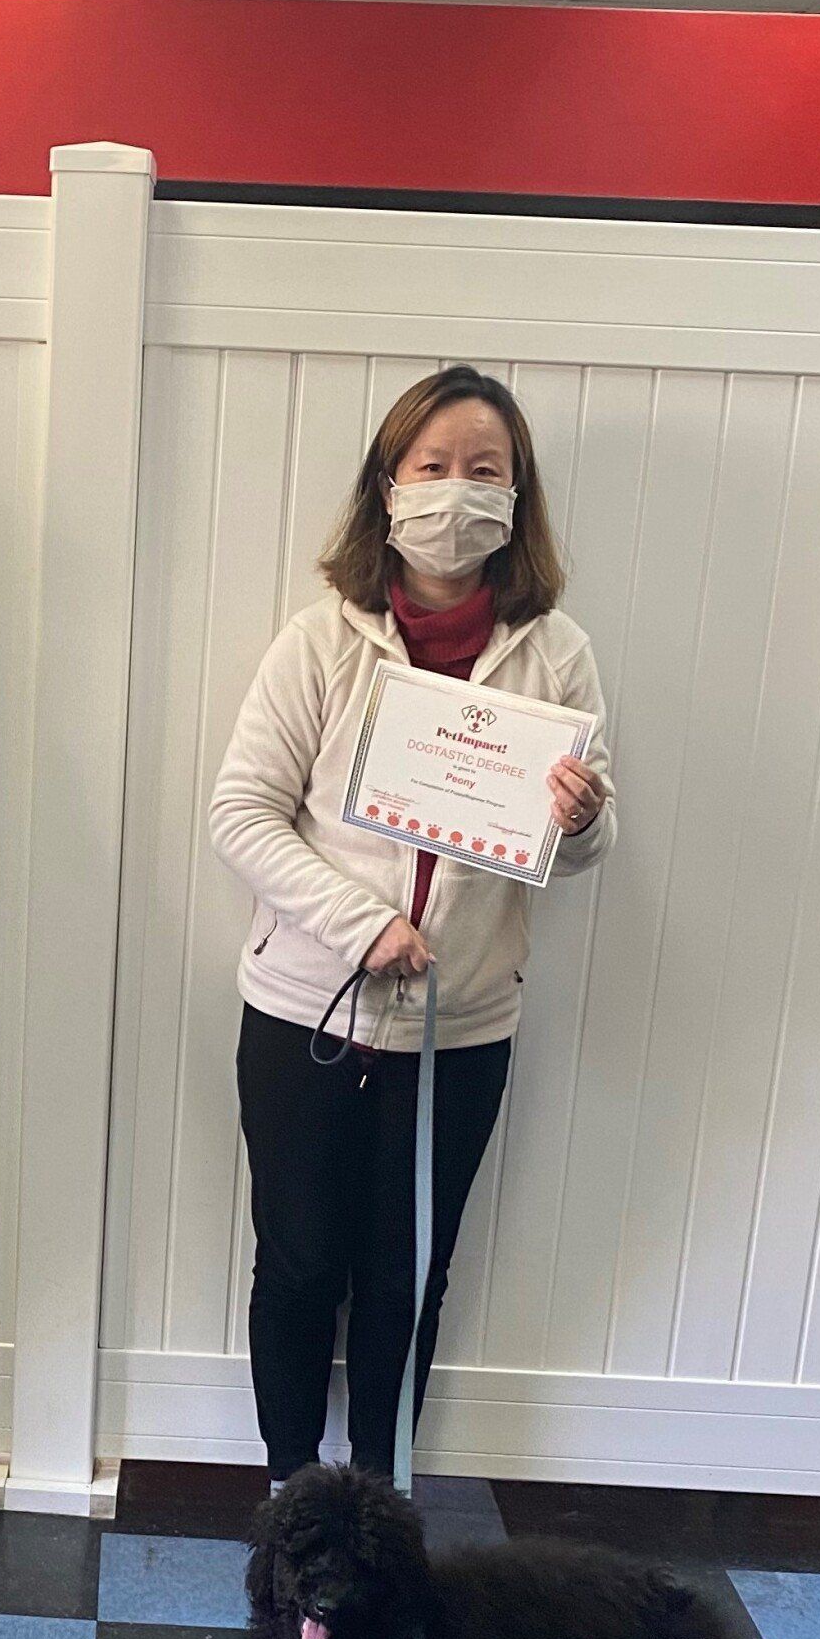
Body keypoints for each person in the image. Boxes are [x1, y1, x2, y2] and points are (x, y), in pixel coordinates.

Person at [210, 365, 615, 1488]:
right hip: (306, 1010)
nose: (454, 493)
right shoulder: (320, 640)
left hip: (464, 1028)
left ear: (516, 496)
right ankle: (293, 1490)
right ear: (387, 488)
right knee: (297, 1266)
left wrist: (583, 821)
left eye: (483, 470)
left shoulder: (556, 651)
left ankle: (378, 1497)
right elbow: (240, 811)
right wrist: (359, 925)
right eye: (431, 468)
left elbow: (575, 853)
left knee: (410, 1275)